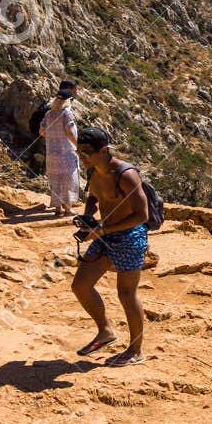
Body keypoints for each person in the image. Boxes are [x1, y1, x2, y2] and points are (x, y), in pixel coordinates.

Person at [70, 127, 149, 368]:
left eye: (87, 152)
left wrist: (102, 230)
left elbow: (142, 215)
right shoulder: (93, 171)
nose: (82, 157)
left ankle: (136, 350)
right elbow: (94, 197)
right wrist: (87, 217)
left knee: (126, 294)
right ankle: (106, 331)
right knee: (80, 286)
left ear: (104, 150)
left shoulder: (126, 175)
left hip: (129, 237)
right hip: (104, 233)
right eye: (79, 151)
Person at [40, 81, 80, 216]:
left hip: (51, 153)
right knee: (68, 180)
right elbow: (69, 131)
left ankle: (58, 209)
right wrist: (77, 145)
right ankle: (68, 208)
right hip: (66, 152)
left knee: (55, 181)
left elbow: (41, 131)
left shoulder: (49, 114)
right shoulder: (66, 113)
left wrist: (52, 139)